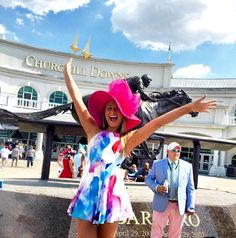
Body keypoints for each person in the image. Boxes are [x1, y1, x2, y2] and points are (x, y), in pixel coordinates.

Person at [63, 58, 216, 238]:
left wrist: (188, 107)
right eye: (109, 108)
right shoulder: (92, 130)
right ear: (104, 112)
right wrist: (67, 73)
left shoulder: (127, 140)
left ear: (123, 115)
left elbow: (158, 122)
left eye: (117, 110)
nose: (113, 112)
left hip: (112, 198)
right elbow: (76, 98)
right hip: (88, 195)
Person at [145, 142, 196, 238]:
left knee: (176, 233)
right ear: (167, 151)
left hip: (179, 206)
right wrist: (157, 187)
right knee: (156, 231)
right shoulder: (157, 164)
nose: (176, 153)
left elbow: (190, 188)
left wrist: (191, 206)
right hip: (161, 203)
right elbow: (148, 179)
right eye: (173, 150)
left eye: (178, 151)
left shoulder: (187, 166)